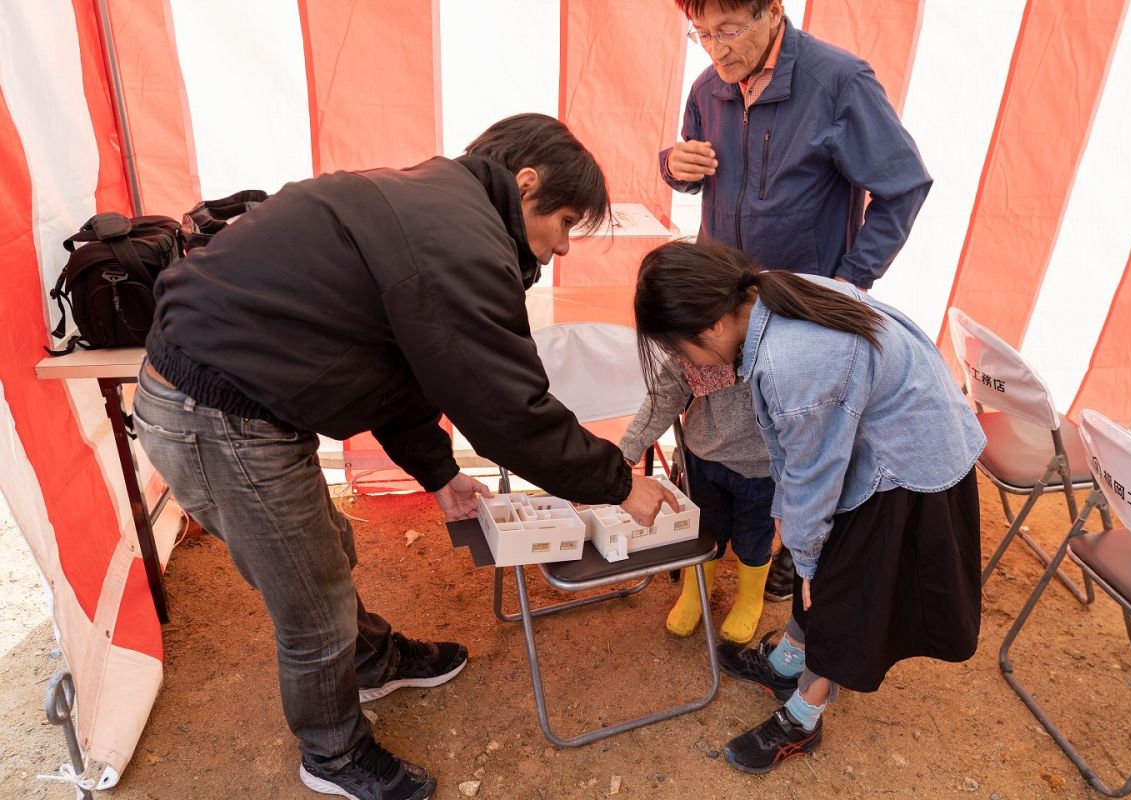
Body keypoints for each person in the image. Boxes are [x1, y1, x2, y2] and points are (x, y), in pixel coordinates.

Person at [132, 113, 678, 800]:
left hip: (239, 397)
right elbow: (505, 407)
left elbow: (396, 370)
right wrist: (615, 484)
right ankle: (331, 754)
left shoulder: (434, 204)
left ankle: (370, 660)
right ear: (527, 182)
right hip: (214, 412)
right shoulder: (461, 241)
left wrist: (440, 473)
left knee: (322, 549)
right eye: (565, 221)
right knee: (311, 604)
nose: (564, 245)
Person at [633, 240, 984, 774]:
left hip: (908, 467)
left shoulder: (794, 362)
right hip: (882, 445)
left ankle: (803, 716)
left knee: (838, 592)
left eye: (680, 350)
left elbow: (811, 474)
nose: (685, 364)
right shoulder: (766, 291)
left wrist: (805, 554)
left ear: (709, 330)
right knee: (820, 572)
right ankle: (787, 661)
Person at [663, 0, 934, 601]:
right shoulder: (711, 86)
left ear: (772, 12)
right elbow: (695, 163)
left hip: (800, 308)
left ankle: (793, 550)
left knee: (796, 437)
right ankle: (711, 540)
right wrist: (676, 166)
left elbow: (904, 186)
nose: (717, 48)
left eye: (730, 29)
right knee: (717, 422)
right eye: (702, 34)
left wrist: (845, 284)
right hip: (723, 303)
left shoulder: (838, 81)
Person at [618, 357, 774, 645]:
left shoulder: (775, 341)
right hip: (702, 459)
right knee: (704, 531)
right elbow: (666, 394)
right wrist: (626, 452)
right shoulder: (688, 342)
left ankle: (750, 600)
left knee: (754, 537)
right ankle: (696, 592)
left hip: (763, 466)